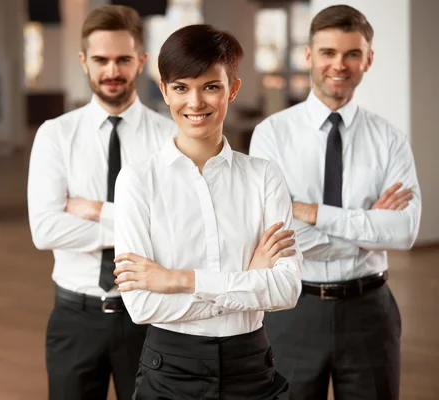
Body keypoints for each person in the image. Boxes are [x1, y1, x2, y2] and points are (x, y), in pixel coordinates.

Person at [113, 24, 303, 400]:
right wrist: (248, 279)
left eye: (210, 87)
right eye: (181, 87)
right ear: (165, 91)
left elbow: (285, 289)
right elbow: (141, 304)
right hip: (170, 367)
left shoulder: (264, 177)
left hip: (251, 364)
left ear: (232, 89)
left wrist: (180, 280)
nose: (195, 103)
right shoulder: (138, 180)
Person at [249, 5, 422, 400]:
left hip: (370, 313)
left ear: (368, 60)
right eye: (328, 52)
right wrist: (367, 225)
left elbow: (404, 232)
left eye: (351, 54)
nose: (338, 65)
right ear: (309, 55)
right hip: (293, 308)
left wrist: (311, 213)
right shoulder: (271, 135)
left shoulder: (390, 139)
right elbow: (274, 237)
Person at [27, 5, 177, 400]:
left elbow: (175, 228)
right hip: (75, 318)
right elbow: (45, 230)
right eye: (101, 60)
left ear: (142, 61)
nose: (113, 71)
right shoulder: (55, 135)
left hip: (149, 316)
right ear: (84, 62)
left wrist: (95, 209)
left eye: (123, 59)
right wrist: (137, 223)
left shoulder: (170, 139)